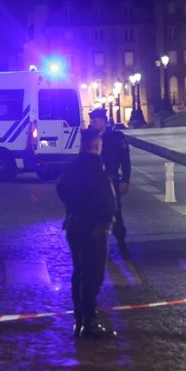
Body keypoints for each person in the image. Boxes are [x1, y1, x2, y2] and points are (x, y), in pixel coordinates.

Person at [57, 128, 117, 339]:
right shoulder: (98, 171)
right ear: (96, 147)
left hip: (74, 224)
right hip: (94, 229)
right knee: (94, 275)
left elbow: (61, 189)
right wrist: (108, 217)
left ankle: (80, 319)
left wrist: (74, 205)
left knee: (79, 272)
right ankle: (89, 322)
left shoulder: (71, 168)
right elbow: (106, 201)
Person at [89, 108, 132, 259]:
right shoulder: (89, 138)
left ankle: (121, 243)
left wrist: (126, 180)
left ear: (103, 121)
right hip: (94, 183)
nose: (93, 123)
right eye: (92, 121)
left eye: (95, 121)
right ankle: (100, 246)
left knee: (115, 212)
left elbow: (125, 161)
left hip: (111, 180)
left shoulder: (115, 137)